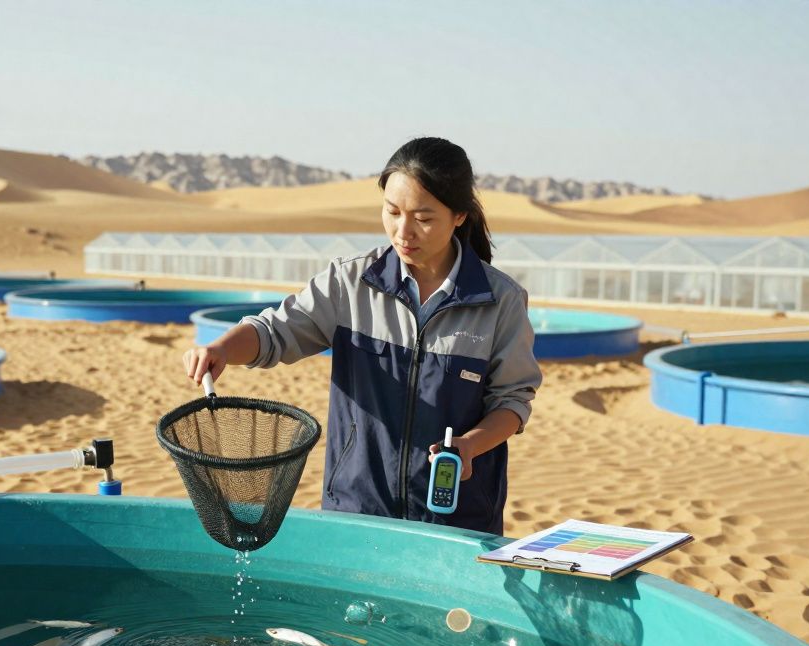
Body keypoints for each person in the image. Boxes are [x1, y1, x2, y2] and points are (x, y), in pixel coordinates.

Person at [182, 137, 541, 535]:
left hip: (458, 517)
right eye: (392, 212)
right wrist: (223, 348)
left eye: (423, 218)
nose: (403, 231)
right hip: (355, 509)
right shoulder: (349, 282)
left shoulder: (501, 301)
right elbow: (276, 331)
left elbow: (512, 401)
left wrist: (470, 446)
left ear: (459, 215)